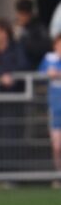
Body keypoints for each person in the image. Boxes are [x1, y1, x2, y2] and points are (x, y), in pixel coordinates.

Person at [38, 34, 61, 187]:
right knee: (57, 145)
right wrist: (48, 74)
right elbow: (39, 74)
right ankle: (58, 174)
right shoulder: (49, 59)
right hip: (55, 107)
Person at [14, 0, 51, 69]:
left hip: (34, 68)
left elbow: (45, 48)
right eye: (19, 14)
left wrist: (24, 39)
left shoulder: (39, 27)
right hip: (18, 69)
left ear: (29, 14)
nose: (20, 17)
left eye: (22, 14)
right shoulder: (17, 27)